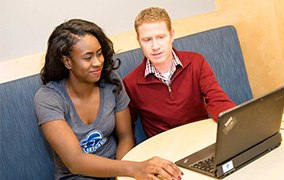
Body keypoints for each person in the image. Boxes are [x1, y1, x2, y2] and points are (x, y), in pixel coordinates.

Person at [34, 19, 183, 180]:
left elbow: (125, 136)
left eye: (99, 54)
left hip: (118, 168)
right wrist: (134, 168)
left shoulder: (111, 82)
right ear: (67, 61)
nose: (97, 62)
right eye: (87, 57)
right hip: (77, 176)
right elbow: (75, 162)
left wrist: (121, 176)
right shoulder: (48, 98)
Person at [123, 7, 236, 138]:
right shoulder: (131, 83)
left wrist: (235, 121)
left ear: (171, 36)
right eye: (147, 40)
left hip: (200, 138)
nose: (155, 46)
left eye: (161, 37)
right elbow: (126, 129)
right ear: (139, 42)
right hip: (163, 149)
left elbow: (217, 99)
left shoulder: (196, 62)